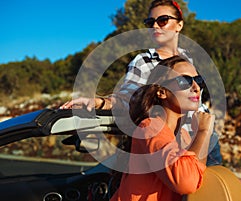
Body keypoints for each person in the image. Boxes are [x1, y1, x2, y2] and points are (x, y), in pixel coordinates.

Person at [60, 0, 222, 166]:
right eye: (150, 22)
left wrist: (207, 126)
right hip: (174, 146)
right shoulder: (143, 61)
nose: (155, 26)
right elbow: (127, 97)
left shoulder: (189, 58)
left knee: (230, 188)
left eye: (163, 20)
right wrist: (100, 102)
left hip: (208, 140)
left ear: (179, 25)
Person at [110, 55, 214, 201]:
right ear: (162, 92)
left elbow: (200, 180)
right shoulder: (150, 127)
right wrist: (204, 132)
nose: (196, 88)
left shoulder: (183, 135)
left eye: (198, 80)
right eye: (184, 81)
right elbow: (186, 182)